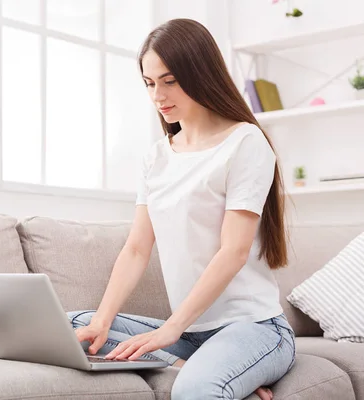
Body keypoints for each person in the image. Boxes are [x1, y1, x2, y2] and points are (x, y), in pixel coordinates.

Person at [67, 18, 295, 400]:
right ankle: (195, 367)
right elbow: (137, 248)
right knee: (75, 325)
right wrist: (103, 322)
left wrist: (170, 328)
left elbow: (233, 251)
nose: (158, 95)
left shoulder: (245, 142)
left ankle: (207, 373)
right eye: (150, 83)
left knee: (195, 391)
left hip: (254, 328)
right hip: (192, 336)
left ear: (201, 73)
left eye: (170, 80)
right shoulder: (157, 157)